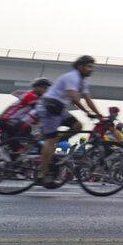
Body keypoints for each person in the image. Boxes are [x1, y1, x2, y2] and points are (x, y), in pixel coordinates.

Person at [36, 56, 104, 185]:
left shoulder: (82, 82)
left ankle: (52, 143)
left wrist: (99, 115)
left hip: (60, 108)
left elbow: (88, 99)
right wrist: (87, 113)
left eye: (92, 67)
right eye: (89, 66)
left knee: (78, 126)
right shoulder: (72, 77)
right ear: (80, 67)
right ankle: (42, 174)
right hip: (50, 106)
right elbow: (74, 97)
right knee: (50, 141)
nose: (92, 69)